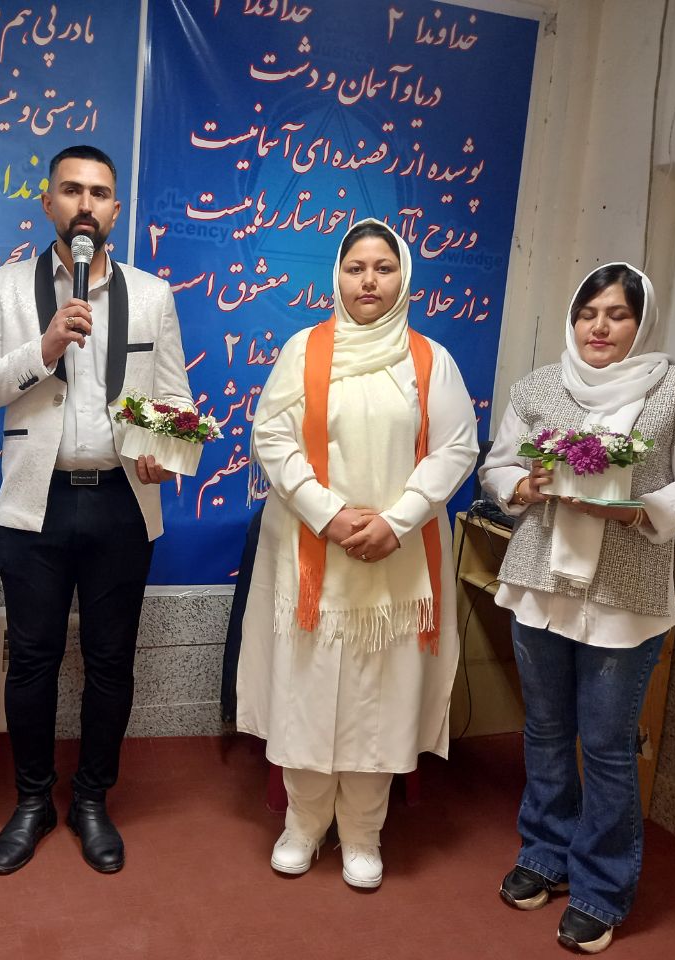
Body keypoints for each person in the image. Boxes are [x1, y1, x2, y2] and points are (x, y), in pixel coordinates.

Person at [479, 262, 675, 953]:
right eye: (588, 313)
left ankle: (601, 887)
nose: (599, 327)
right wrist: (522, 486)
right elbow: (497, 466)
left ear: (641, 322)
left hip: (626, 597)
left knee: (608, 746)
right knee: (545, 731)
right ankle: (544, 854)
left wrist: (642, 509)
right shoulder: (539, 386)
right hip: (539, 584)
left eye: (617, 314)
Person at [0, 144, 192, 876]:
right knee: (32, 660)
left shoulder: (152, 295)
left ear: (115, 209)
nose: (85, 204)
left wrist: (167, 448)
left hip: (123, 503)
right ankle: (31, 801)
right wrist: (45, 346)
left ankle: (92, 799)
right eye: (71, 190)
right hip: (37, 505)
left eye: (99, 193)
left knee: (112, 662)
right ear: (49, 203)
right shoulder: (3, 288)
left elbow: (177, 401)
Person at [235, 218, 478, 889]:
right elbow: (272, 438)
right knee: (307, 690)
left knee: (380, 694)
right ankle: (304, 825)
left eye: (383, 268)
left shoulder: (430, 360)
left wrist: (397, 521)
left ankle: (364, 833)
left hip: (399, 558)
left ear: (404, 278)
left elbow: (457, 447)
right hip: (311, 549)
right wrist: (331, 515)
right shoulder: (303, 351)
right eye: (355, 268)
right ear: (336, 278)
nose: (369, 281)